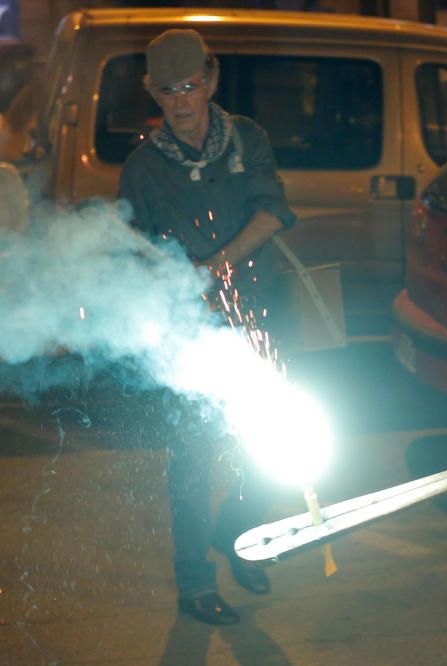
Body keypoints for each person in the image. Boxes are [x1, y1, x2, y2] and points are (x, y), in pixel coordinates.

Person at [118, 29, 296, 626]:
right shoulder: (143, 166)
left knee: (268, 450)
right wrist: (170, 274)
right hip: (187, 335)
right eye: (167, 91)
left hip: (259, 320)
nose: (182, 102)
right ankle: (195, 584)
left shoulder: (247, 139)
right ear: (152, 92)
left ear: (212, 80)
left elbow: (272, 212)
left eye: (191, 86)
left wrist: (215, 265)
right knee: (193, 463)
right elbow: (133, 243)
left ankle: (238, 537)